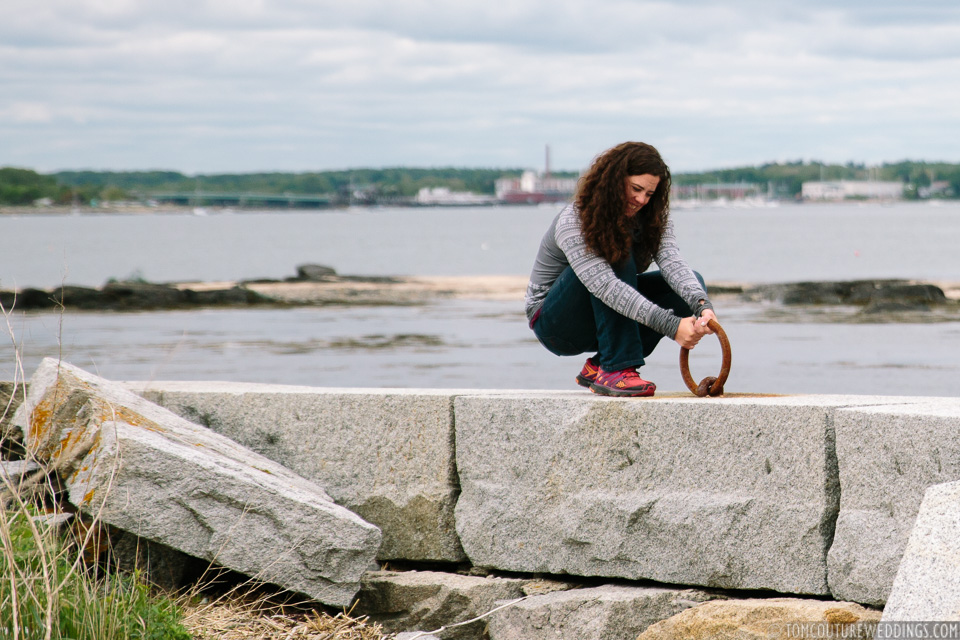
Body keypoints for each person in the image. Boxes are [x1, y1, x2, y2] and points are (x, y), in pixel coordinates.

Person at [525, 141, 717, 397]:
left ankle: (600, 366)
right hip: (555, 325)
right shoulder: (575, 219)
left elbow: (673, 263)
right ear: (614, 181)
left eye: (649, 194)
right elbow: (606, 287)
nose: (641, 200)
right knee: (615, 250)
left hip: (601, 316)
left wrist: (702, 306)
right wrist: (672, 326)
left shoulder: (652, 217)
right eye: (636, 189)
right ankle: (617, 368)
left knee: (691, 283)